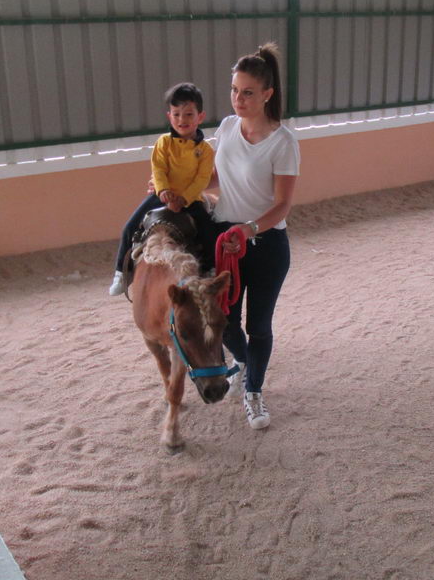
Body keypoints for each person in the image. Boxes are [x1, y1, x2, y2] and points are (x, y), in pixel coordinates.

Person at [210, 42, 300, 430]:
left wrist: (248, 229)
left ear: (267, 94)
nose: (238, 99)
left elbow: (282, 206)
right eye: (234, 90)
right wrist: (174, 184)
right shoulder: (227, 128)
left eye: (247, 92)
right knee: (223, 321)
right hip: (224, 241)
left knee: (259, 325)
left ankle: (253, 390)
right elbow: (214, 180)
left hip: (264, 245)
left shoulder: (284, 143)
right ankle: (243, 362)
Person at [109, 82, 217, 295]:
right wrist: (164, 191)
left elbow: (202, 179)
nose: (181, 120)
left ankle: (210, 267)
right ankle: (121, 273)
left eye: (188, 114)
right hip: (162, 196)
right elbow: (158, 170)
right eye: (176, 114)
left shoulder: (205, 150)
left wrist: (183, 199)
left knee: (208, 230)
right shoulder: (163, 143)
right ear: (169, 117)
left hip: (191, 199)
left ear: (200, 117)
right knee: (130, 226)